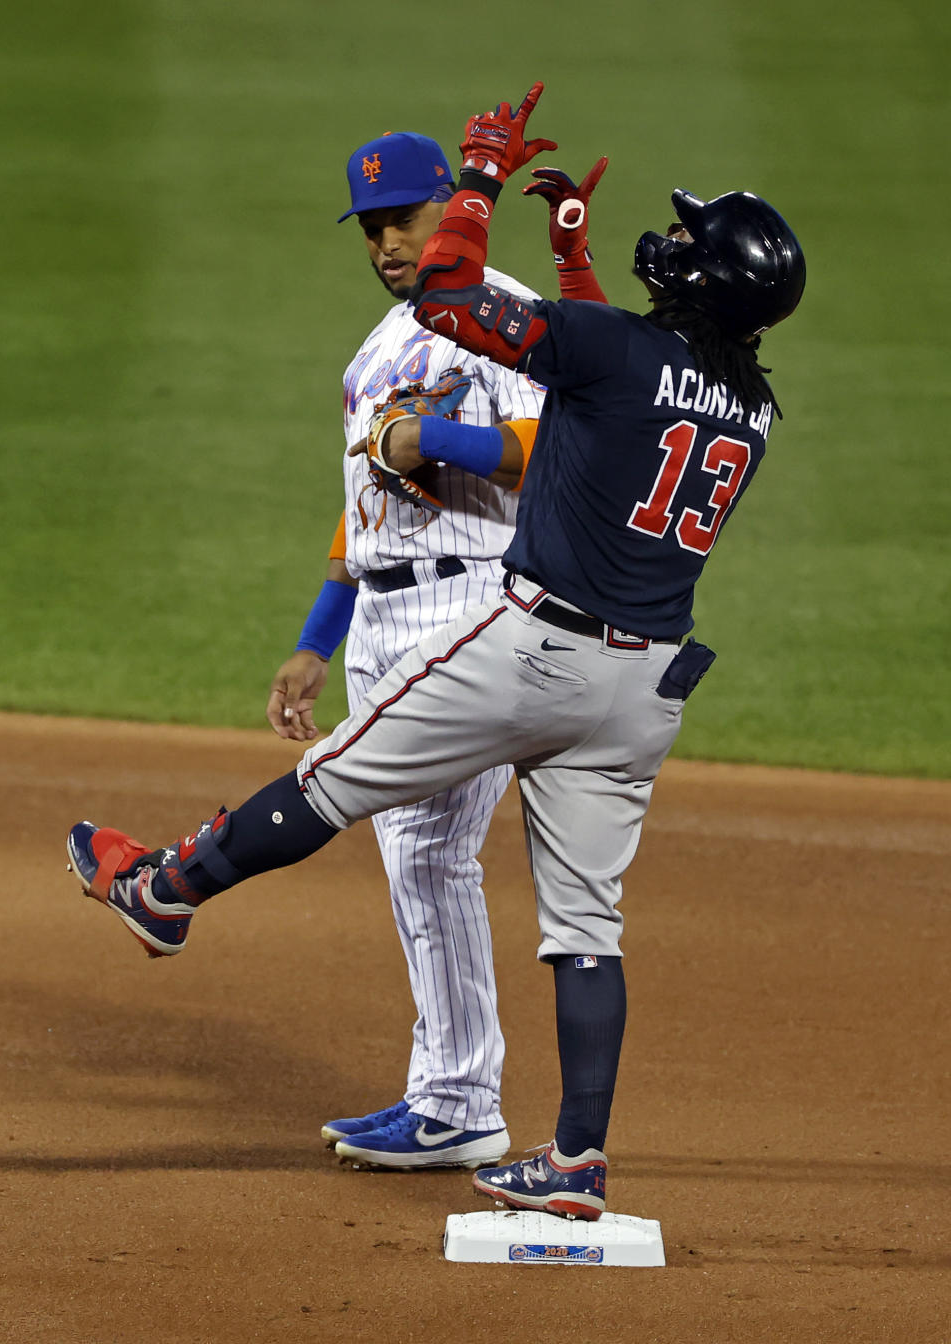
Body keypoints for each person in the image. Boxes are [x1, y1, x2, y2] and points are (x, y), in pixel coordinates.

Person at [66, 83, 805, 1221]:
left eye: (688, 245)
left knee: (336, 780)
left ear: (703, 282)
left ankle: (165, 891)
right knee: (586, 930)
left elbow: (483, 312)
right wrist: (572, 264)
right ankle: (574, 1165)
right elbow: (615, 389)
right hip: (644, 687)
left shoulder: (607, 351)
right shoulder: (748, 407)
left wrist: (485, 182)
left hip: (530, 652)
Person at [262, 129, 547, 1172]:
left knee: (429, 855)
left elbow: (545, 454)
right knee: (415, 862)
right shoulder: (384, 343)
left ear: (453, 211)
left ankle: (463, 1100)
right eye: (372, 226)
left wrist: (439, 442)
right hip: (382, 618)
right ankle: (449, 1090)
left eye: (406, 218)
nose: (386, 241)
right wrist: (316, 638)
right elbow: (364, 503)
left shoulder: (504, 321)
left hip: (471, 605)